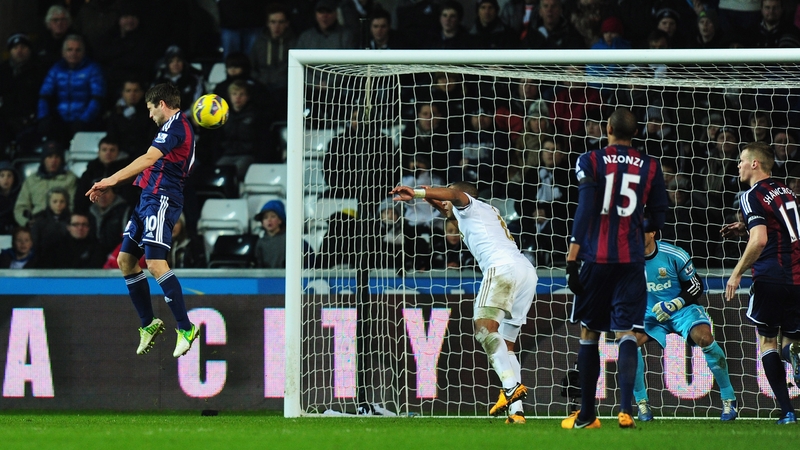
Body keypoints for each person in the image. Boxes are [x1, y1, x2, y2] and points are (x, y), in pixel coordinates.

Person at [391, 181, 537, 424]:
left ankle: (510, 388)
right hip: (526, 272)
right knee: (507, 345)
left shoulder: (467, 203)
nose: (446, 197)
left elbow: (455, 196)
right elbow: (446, 208)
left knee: (483, 328)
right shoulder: (486, 210)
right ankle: (516, 411)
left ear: (461, 195)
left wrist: (417, 192)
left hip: (502, 269)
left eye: (448, 192)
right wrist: (428, 196)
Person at [561, 108, 668, 429]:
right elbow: (660, 216)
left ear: (607, 128)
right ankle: (625, 411)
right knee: (627, 333)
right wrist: (635, 226)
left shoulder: (589, 160)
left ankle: (587, 416)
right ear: (635, 133)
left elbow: (586, 209)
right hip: (632, 260)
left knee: (589, 332)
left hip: (596, 258)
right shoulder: (650, 166)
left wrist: (571, 259)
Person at [85, 82, 200, 359]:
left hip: (162, 199)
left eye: (150, 109)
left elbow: (149, 158)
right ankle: (149, 323)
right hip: (147, 199)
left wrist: (110, 180)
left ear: (161, 104)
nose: (149, 115)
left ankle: (185, 327)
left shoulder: (175, 127)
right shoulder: (171, 127)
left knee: (156, 263)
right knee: (125, 261)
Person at [721, 141, 800, 425]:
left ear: (755, 163)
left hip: (770, 275)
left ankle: (787, 412)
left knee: (767, 341)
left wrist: (737, 272)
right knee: (791, 339)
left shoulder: (750, 195)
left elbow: (761, 239)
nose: (738, 165)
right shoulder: (786, 191)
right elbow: (780, 226)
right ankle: (793, 354)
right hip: (797, 277)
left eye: (742, 160)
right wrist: (745, 226)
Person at [634, 229, 737, 422]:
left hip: (681, 310)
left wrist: (675, 303)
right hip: (650, 314)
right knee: (628, 343)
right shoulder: (627, 259)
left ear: (653, 232)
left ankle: (729, 398)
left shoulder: (674, 254)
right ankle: (642, 404)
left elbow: (696, 284)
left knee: (705, 338)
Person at [36, 34, 106, 147]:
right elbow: (44, 95)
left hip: (84, 121)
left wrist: (84, 119)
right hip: (59, 120)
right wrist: (43, 117)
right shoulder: (56, 69)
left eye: (77, 50)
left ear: (83, 52)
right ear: (63, 52)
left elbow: (97, 97)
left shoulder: (93, 69)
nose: (73, 53)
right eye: (70, 49)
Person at [0, 33, 47, 154]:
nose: (19, 51)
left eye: (23, 47)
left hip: (31, 119)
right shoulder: (3, 70)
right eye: (15, 48)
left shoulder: (39, 70)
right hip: (7, 118)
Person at [13, 142, 78, 227]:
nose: (53, 161)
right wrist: (27, 222)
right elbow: (20, 207)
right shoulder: (31, 180)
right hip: (36, 224)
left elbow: (73, 206)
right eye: (49, 157)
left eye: (57, 157)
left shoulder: (70, 179)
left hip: (61, 226)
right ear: (43, 159)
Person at [40, 211, 105, 268]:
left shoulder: (96, 247)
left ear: (88, 228)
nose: (80, 228)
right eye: (76, 224)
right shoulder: (56, 247)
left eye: (84, 224)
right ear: (68, 227)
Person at [254, 199, 286, 268]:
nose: (269, 220)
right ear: (262, 223)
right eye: (265, 217)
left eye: (273, 216)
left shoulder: (290, 240)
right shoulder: (261, 242)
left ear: (280, 220)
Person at [0, 161, 21, 234]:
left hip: (15, 231)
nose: (6, 179)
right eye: (2, 175)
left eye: (9, 176)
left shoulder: (20, 195)